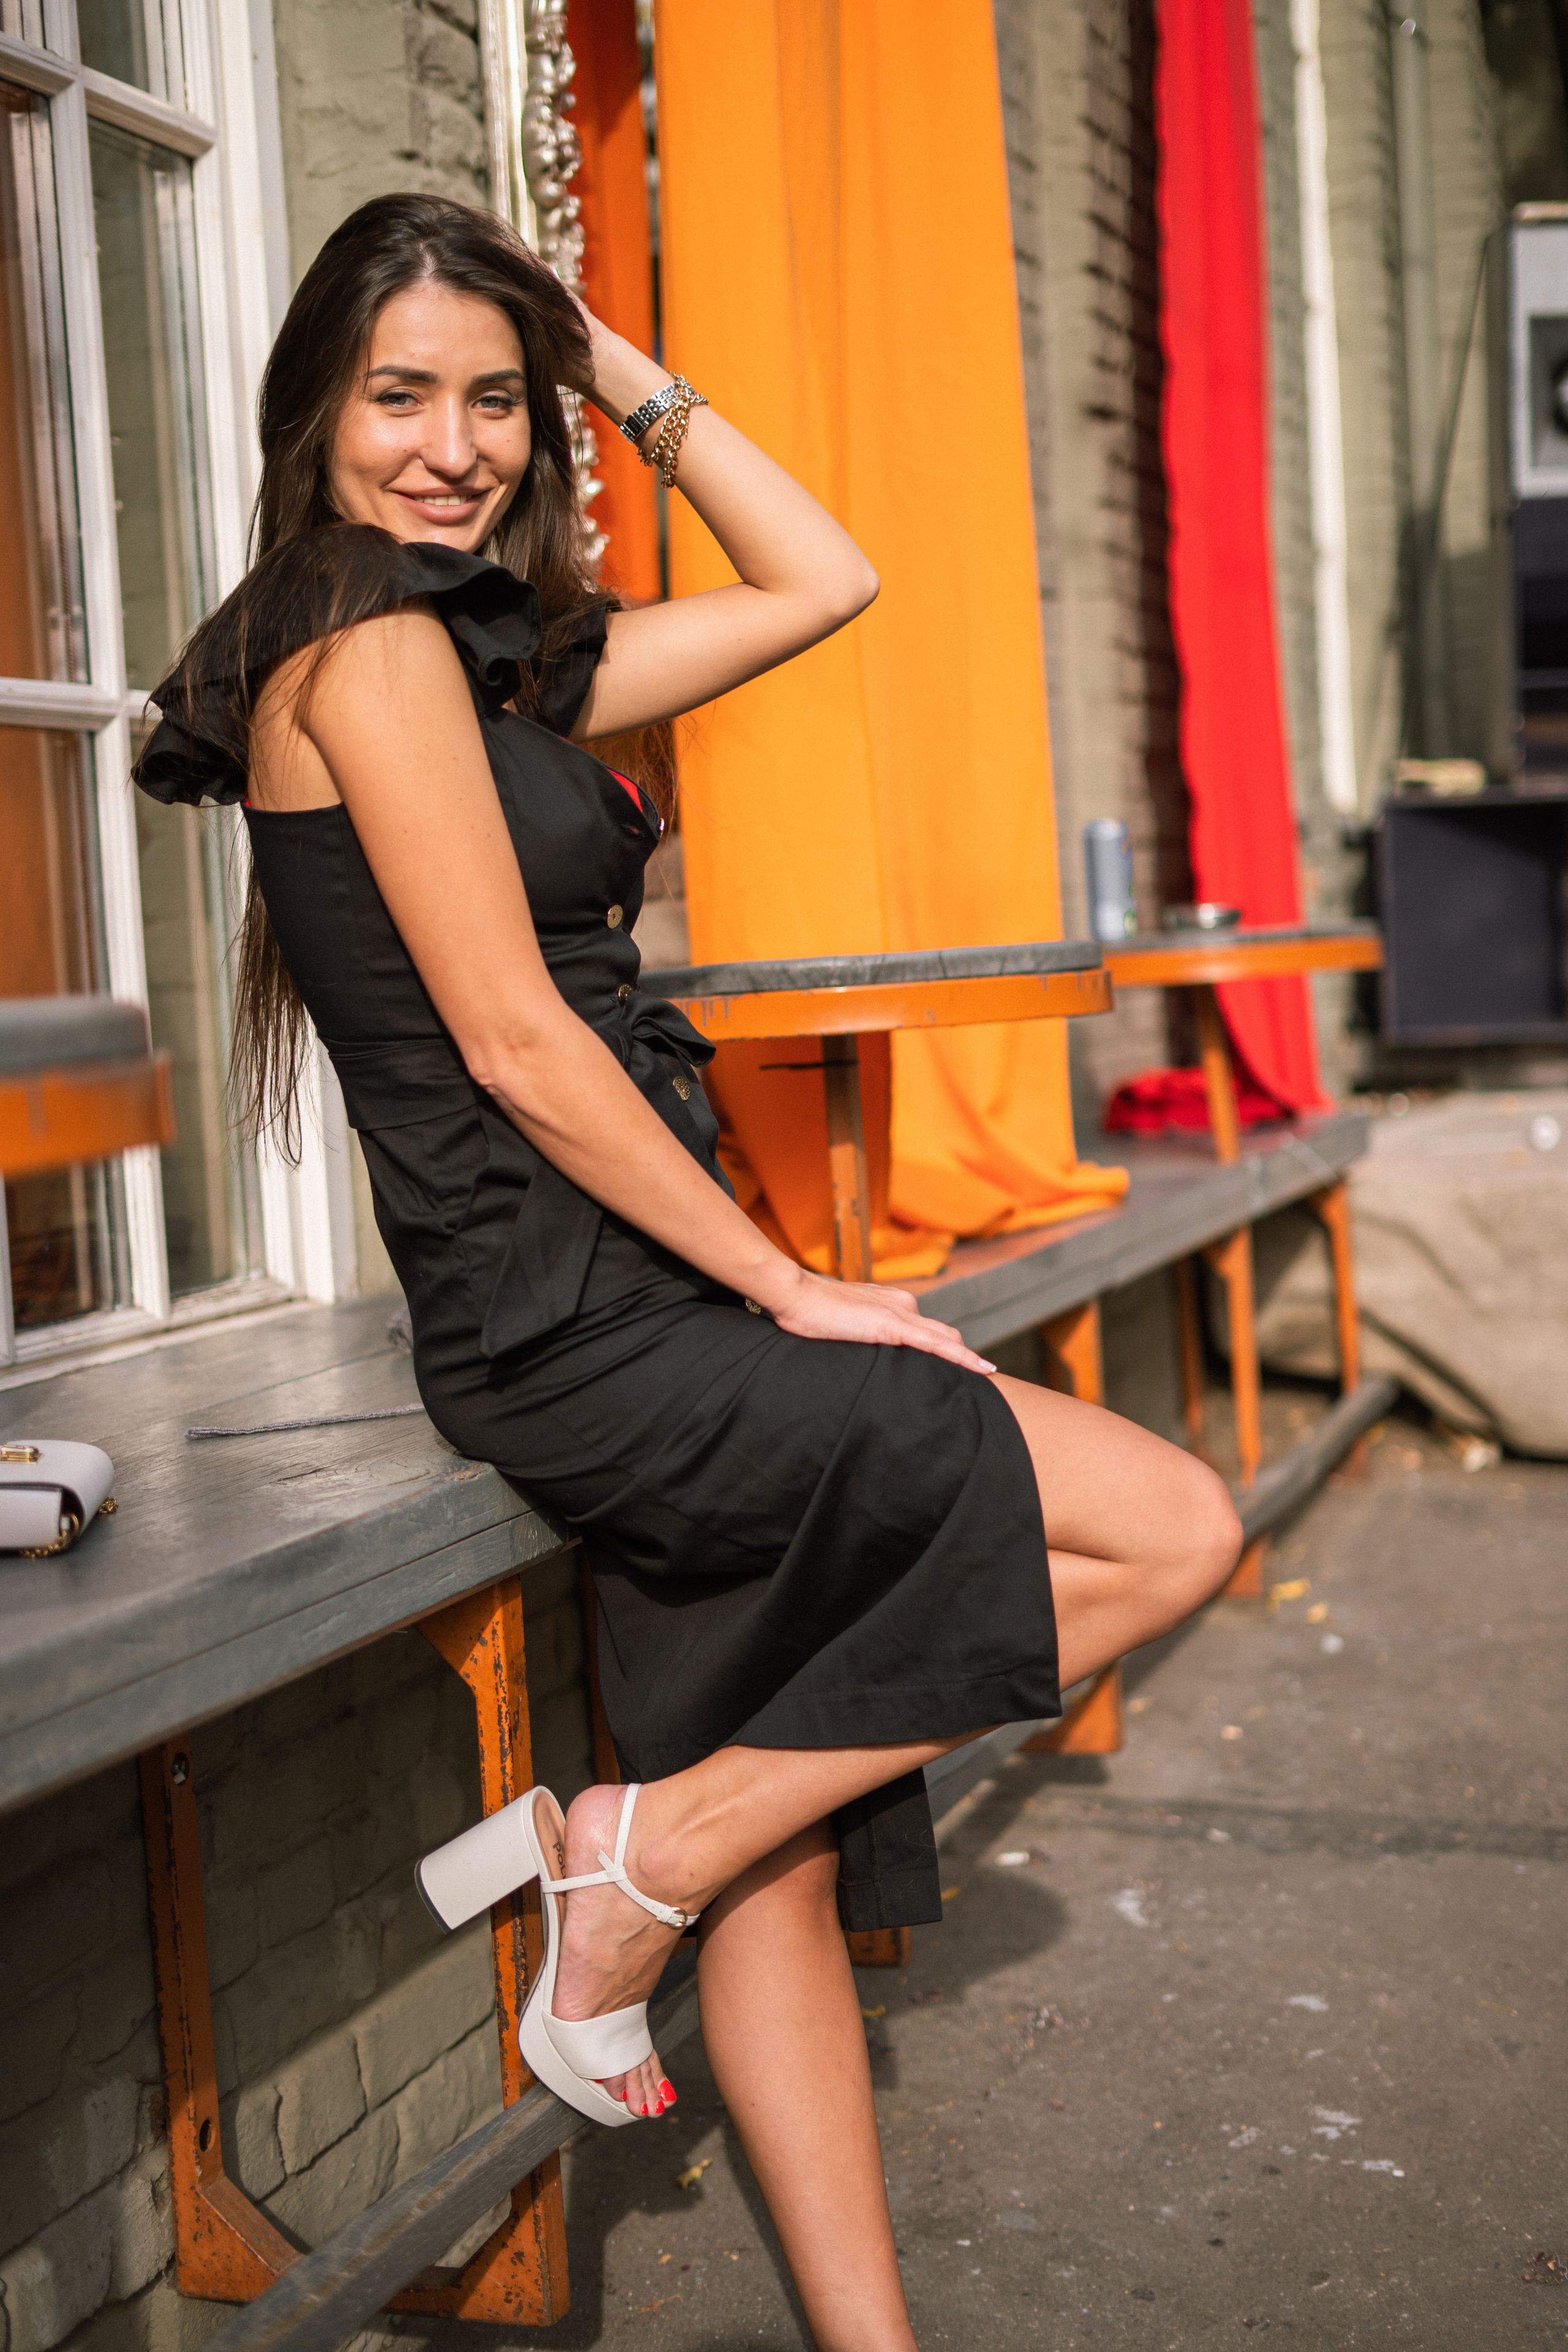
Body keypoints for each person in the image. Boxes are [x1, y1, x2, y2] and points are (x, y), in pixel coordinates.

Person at [138, 192, 1240, 2352]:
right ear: (311, 417)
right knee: (1168, 1524)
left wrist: (612, 359)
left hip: (648, 1288)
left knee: (787, 1859)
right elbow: (523, 1043)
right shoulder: (353, 653)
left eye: (490, 402)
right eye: (398, 399)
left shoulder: (494, 655)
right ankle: (622, 1860)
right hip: (581, 1322)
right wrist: (798, 1287)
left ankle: (824, 2233)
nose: (453, 447)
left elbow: (828, 578)